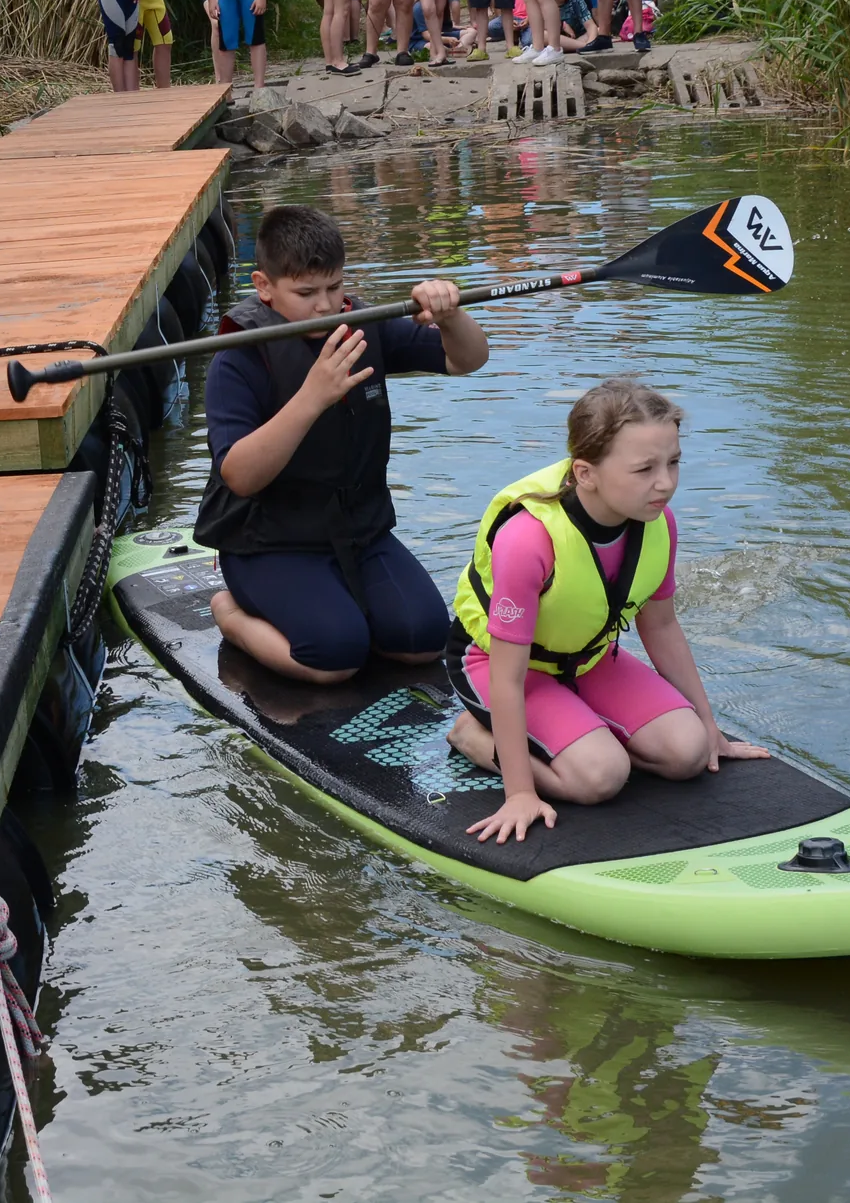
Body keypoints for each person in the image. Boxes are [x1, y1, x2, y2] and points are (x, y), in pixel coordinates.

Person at [448, 379, 768, 844]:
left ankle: (583, 729)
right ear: (585, 473)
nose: (666, 483)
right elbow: (508, 676)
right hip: (498, 666)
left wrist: (710, 726)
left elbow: (660, 625)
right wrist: (518, 792)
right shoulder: (528, 539)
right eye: (645, 469)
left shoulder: (658, 523)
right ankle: (472, 737)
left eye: (673, 462)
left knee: (689, 753)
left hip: (590, 660)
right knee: (600, 778)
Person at [195, 206, 488, 685]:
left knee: (425, 640)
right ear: (264, 287)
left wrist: (451, 317)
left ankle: (341, 603)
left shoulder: (361, 323)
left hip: (359, 533)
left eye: (334, 287)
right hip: (268, 543)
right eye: (305, 293)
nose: (325, 306)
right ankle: (231, 613)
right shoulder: (239, 357)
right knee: (334, 658)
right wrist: (312, 398)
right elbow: (239, 475)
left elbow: (467, 361)